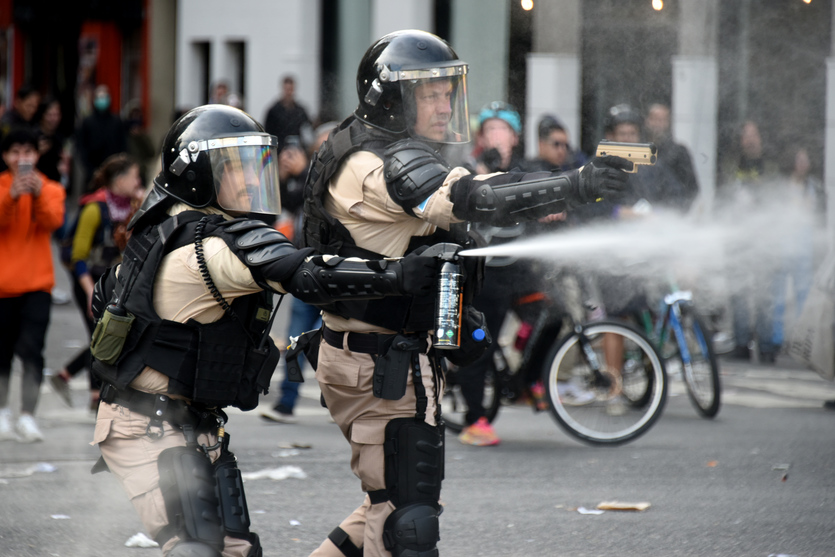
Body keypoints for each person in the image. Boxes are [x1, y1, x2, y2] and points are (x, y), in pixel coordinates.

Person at [301, 30, 631, 557]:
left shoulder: (357, 142)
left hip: (370, 355)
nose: (444, 103)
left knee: (385, 508)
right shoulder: (378, 165)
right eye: (428, 92)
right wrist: (574, 184)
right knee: (406, 526)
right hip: (383, 365)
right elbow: (468, 196)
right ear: (390, 97)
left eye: (447, 90)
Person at [89, 104, 439, 557]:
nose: (252, 179)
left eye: (256, 165)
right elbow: (304, 272)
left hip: (185, 424)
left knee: (237, 550)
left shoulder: (164, 227)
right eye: (235, 167)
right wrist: (394, 275)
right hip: (147, 427)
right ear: (198, 172)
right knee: (198, 548)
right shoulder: (211, 247)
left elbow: (104, 299)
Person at [50, 154, 145, 410]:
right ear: (120, 179)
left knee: (105, 336)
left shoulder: (133, 207)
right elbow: (77, 256)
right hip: (90, 282)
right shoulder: (95, 208)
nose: (138, 181)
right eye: (135, 176)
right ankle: (88, 391)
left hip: (116, 282)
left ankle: (78, 384)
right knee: (104, 337)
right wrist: (90, 291)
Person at [261, 123, 338, 424]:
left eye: (327, 144)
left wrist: (305, 170)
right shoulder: (302, 178)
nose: (322, 151)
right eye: (318, 146)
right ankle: (286, 401)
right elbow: (282, 205)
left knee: (335, 343)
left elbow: (324, 194)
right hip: (306, 271)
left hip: (336, 274)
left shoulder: (341, 177)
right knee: (295, 339)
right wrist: (280, 176)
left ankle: (340, 401)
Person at [0, 128, 66, 442]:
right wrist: (11, 195)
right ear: (5, 156)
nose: (22, 158)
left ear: (36, 156)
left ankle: (27, 415)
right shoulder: (1, 186)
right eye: (15, 152)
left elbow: (54, 222)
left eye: (28, 152)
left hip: (37, 285)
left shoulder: (51, 188)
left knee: (32, 352)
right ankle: (2, 413)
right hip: (2, 286)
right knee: (1, 354)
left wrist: (36, 193)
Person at [643, 103, 699, 211]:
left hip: (670, 211)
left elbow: (692, 187)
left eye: (663, 120)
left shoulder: (678, 152)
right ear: (647, 121)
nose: (658, 124)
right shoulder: (639, 149)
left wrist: (680, 210)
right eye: (655, 119)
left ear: (668, 123)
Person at [76, 84, 128, 188]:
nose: (102, 100)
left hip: (114, 173)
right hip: (92, 173)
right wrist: (90, 169)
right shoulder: (87, 122)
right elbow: (81, 147)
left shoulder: (117, 121)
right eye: (99, 97)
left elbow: (123, 145)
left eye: (104, 97)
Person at [263, 75, 312, 150]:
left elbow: (307, 130)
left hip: (297, 151)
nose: (288, 92)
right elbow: (268, 133)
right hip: (279, 150)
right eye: (287, 89)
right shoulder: (274, 111)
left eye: (290, 89)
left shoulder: (300, 111)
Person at [0, 84, 41, 172]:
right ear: (18, 102)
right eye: (29, 105)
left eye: (35, 107)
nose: (32, 110)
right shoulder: (8, 122)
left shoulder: (32, 122)